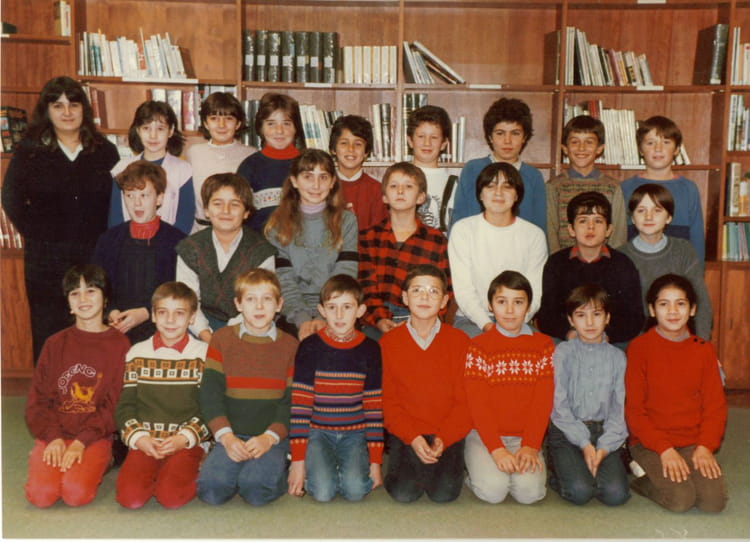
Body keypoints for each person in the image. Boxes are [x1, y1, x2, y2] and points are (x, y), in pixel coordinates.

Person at [1, 76, 120, 362]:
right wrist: (38, 231)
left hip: (93, 255)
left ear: (84, 110)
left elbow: (117, 203)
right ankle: (49, 387)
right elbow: (10, 197)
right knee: (48, 330)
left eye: (73, 105)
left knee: (91, 328)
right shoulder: (30, 151)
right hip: (45, 257)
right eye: (58, 105)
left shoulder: (104, 151)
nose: (67, 112)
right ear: (47, 111)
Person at [24, 264, 130, 508]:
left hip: (94, 436)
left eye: (91, 291)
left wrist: (82, 441)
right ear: (69, 303)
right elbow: (38, 400)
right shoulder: (54, 344)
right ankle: (44, 454)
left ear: (105, 299)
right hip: (55, 433)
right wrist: (53, 438)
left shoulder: (120, 344)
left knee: (75, 494)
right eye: (75, 293)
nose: (83, 299)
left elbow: (114, 404)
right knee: (41, 496)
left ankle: (107, 457)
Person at [626, 274, 727, 513]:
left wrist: (705, 446)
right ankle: (642, 479)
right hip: (650, 443)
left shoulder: (704, 351)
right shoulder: (639, 348)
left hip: (691, 441)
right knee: (681, 499)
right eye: (664, 304)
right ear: (652, 309)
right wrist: (664, 450)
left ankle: (680, 466)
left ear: (692, 309)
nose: (672, 311)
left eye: (680, 303)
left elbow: (715, 407)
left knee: (713, 502)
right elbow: (634, 412)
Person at [197, 269, 298, 506]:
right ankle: (235, 468)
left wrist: (269, 438)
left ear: (279, 304)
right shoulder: (221, 340)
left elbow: (291, 401)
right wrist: (227, 437)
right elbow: (210, 396)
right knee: (211, 491)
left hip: (271, 437)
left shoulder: (290, 345)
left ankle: (280, 464)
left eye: (267, 299)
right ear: (238, 304)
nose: (259, 306)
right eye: (251, 299)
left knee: (255, 491)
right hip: (232, 434)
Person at [379, 264, 471, 503]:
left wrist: (444, 438)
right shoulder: (388, 343)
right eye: (417, 290)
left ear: (444, 301)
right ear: (404, 297)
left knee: (444, 494)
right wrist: (413, 437)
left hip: (446, 431)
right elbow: (388, 402)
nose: (424, 297)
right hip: (408, 432)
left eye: (433, 291)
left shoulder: (459, 342)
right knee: (404, 493)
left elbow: (465, 402)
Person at [287, 275, 383, 502]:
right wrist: (298, 464)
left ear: (360, 310)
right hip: (318, 433)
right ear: (322, 310)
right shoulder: (309, 347)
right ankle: (316, 465)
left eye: (347, 307)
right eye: (332, 307)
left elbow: (373, 407)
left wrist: (375, 463)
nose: (339, 315)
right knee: (323, 493)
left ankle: (338, 468)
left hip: (354, 434)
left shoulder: (371, 349)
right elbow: (300, 406)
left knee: (356, 491)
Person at [114, 281, 209, 509]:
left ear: (192, 318)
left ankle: (198, 465)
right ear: (154, 316)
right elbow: (125, 406)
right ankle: (160, 471)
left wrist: (184, 438)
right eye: (163, 312)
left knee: (170, 498)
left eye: (179, 313)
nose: (170, 320)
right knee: (130, 499)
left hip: (185, 442)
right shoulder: (136, 353)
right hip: (147, 441)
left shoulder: (204, 355)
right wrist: (139, 438)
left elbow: (211, 408)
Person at [463, 271, 554, 504]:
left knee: (530, 494)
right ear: (490, 306)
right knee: (493, 492)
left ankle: (516, 467)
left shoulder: (544, 345)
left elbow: (543, 401)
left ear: (529, 307)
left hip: (524, 437)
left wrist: (531, 445)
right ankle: (476, 471)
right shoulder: (478, 346)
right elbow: (477, 404)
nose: (510, 310)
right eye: (502, 302)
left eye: (518, 302)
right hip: (485, 436)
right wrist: (497, 449)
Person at [547, 284, 630, 506]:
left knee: (616, 495)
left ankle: (591, 467)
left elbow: (619, 410)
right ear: (571, 320)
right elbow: (559, 407)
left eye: (597, 314)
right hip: (566, 430)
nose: (590, 322)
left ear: (607, 318)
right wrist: (584, 444)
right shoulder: (563, 353)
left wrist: (603, 449)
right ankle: (558, 470)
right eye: (581, 315)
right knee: (580, 492)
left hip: (604, 432)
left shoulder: (618, 358)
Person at [264, 149, 358, 341]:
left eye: (323, 177)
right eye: (308, 176)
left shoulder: (346, 221)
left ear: (332, 182)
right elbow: (283, 279)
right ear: (294, 181)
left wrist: (326, 316)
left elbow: (345, 273)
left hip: (337, 310)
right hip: (292, 311)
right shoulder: (277, 225)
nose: (316, 185)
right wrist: (303, 319)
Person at [448, 162, 547, 338]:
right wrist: (488, 326)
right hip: (474, 321)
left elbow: (535, 291)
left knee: (543, 349)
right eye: (491, 186)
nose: (498, 192)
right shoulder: (463, 230)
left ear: (517, 195)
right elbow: (464, 292)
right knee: (484, 348)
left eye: (507, 187)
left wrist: (515, 325)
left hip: (518, 320)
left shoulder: (534, 235)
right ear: (480, 194)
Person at [93, 160, 185, 344]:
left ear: (159, 198)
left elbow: (183, 293)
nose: (137, 203)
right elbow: (96, 284)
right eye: (130, 195)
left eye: (144, 195)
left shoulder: (178, 242)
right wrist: (111, 311)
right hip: (116, 329)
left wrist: (147, 312)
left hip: (163, 330)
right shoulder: (109, 240)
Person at [176, 173, 276, 343]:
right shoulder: (190, 248)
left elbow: (261, 303)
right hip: (200, 324)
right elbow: (188, 300)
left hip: (249, 323)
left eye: (235, 204)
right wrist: (206, 335)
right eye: (217, 204)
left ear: (246, 212)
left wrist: (227, 336)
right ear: (206, 210)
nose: (226, 211)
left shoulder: (261, 251)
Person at [358, 162, 451, 340]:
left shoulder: (436, 240)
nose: (400, 191)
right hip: (376, 318)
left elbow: (444, 290)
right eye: (394, 186)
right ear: (385, 197)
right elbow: (365, 288)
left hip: (422, 317)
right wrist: (380, 319)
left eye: (408, 186)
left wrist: (420, 322)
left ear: (421, 197)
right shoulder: (368, 238)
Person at [536, 191, 643, 346]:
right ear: (571, 229)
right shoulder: (556, 264)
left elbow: (634, 318)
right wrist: (570, 333)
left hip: (610, 342)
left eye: (598, 221)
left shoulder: (623, 264)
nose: (590, 227)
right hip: (568, 339)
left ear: (608, 229)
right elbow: (547, 315)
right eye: (583, 221)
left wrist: (606, 336)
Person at [619, 183, 712, 340]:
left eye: (657, 210)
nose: (648, 217)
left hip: (678, 337)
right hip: (635, 342)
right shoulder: (620, 256)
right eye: (641, 211)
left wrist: (700, 343)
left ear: (669, 217)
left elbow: (701, 302)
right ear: (632, 218)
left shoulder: (684, 251)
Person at [451, 97, 546, 233]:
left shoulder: (533, 176)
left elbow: (539, 227)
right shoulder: (472, 169)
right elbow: (458, 219)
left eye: (515, 133)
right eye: (500, 133)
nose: (507, 141)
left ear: (524, 137)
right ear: (490, 137)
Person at [621, 115, 705, 262]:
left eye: (666, 142)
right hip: (635, 266)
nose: (658, 149)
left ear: (677, 149)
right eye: (650, 143)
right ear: (640, 149)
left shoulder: (688, 189)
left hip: (678, 268)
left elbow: (697, 239)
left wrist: (697, 271)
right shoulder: (625, 188)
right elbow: (619, 237)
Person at [109, 100, 194, 235]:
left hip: (170, 243)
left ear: (171, 131)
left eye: (160, 129)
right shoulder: (121, 168)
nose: (153, 136)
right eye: (146, 128)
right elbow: (115, 218)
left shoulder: (183, 170)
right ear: (138, 130)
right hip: (128, 243)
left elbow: (185, 219)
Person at [546, 115, 627, 252]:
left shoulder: (613, 187)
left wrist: (611, 260)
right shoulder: (554, 186)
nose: (581, 148)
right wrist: (557, 260)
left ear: (599, 148)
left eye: (589, 142)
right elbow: (551, 232)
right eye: (574, 142)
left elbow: (618, 234)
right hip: (565, 260)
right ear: (565, 149)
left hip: (604, 260)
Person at [186, 92, 254, 233]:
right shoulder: (194, 153)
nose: (221, 125)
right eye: (214, 118)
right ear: (205, 123)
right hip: (199, 231)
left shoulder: (251, 155)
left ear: (238, 123)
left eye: (228, 119)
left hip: (237, 231)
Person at [237, 93, 305, 233]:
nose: (279, 131)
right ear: (261, 128)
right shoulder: (249, 166)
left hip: (302, 241)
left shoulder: (308, 164)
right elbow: (239, 214)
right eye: (271, 123)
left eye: (286, 123)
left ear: (296, 128)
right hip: (259, 241)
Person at [328, 114, 387, 230]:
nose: (351, 149)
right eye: (344, 143)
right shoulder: (322, 187)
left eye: (358, 144)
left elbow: (379, 234)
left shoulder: (376, 190)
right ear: (333, 149)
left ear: (366, 152)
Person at [407, 105, 456, 232]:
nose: (427, 143)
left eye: (434, 137)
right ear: (410, 141)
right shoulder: (397, 179)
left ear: (444, 143)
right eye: (421, 136)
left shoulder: (454, 184)